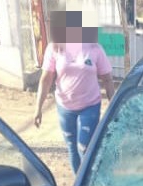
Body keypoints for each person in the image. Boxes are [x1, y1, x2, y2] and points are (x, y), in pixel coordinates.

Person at [34, 12, 115, 173]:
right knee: (71, 147)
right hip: (65, 107)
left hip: (90, 105)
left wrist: (113, 106)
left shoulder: (94, 48)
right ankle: (78, 183)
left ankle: (89, 179)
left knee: (84, 147)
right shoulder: (55, 47)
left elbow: (107, 79)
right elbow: (46, 79)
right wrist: (38, 108)